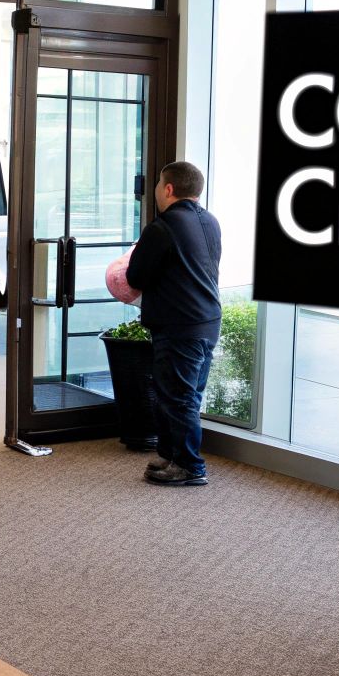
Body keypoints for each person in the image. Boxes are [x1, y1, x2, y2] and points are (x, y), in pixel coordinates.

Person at [125, 161, 222, 487]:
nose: (156, 190)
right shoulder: (210, 222)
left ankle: (191, 466)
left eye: (158, 184)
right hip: (207, 320)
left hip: (179, 324)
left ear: (168, 189)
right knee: (184, 395)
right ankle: (171, 456)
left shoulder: (163, 227)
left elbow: (136, 276)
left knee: (178, 398)